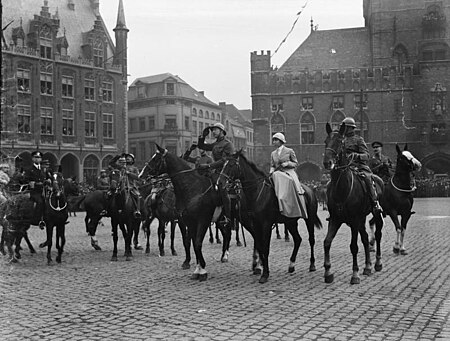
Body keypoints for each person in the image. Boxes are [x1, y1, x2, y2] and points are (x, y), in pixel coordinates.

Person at [341, 117, 382, 215]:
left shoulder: (359, 140)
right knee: (333, 182)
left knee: (368, 179)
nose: (343, 129)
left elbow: (366, 156)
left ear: (351, 128)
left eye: (345, 127)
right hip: (345, 168)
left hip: (359, 167)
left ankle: (375, 203)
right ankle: (333, 207)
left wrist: (356, 155)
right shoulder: (341, 141)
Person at [197, 122, 235, 222]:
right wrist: (202, 136)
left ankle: (228, 217)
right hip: (216, 171)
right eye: (212, 130)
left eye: (215, 129)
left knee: (222, 188)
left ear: (222, 131)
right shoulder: (216, 144)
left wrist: (209, 165)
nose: (213, 132)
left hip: (227, 171)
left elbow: (224, 160)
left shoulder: (228, 144)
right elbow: (202, 146)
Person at [270, 132, 307, 218]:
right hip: (277, 173)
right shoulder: (273, 153)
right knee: (272, 178)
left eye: (275, 140)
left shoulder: (289, 151)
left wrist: (287, 164)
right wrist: (271, 171)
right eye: (273, 140)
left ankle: (286, 201)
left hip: (288, 172)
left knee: (289, 180)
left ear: (280, 141)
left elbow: (295, 163)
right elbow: (272, 165)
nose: (274, 142)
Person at [24, 151, 51, 229]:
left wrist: (49, 180)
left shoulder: (44, 169)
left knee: (52, 200)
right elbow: (26, 180)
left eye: (39, 158)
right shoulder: (29, 169)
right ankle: (38, 220)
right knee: (40, 202)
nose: (37, 159)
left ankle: (52, 218)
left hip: (45, 190)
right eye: (35, 157)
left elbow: (48, 177)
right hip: (35, 192)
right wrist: (33, 183)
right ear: (32, 159)